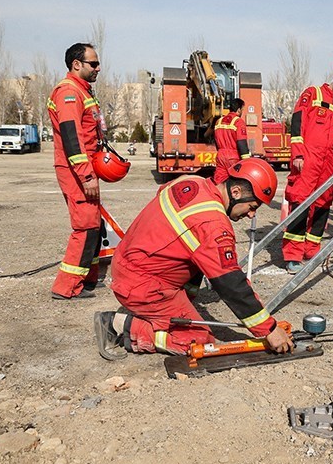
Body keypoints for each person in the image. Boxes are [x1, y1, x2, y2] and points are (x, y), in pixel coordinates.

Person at [93, 158, 295, 360]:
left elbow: (162, 193)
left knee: (193, 253)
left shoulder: (191, 181)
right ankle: (119, 325)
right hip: (141, 285)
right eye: (252, 206)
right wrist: (269, 329)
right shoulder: (212, 224)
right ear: (236, 192)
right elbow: (231, 283)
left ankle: (171, 306)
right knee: (199, 341)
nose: (251, 215)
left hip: (128, 262)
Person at [281, 61, 333, 274]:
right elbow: (297, 123)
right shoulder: (313, 94)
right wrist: (298, 153)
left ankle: (311, 251)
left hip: (326, 162)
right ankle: (293, 255)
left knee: (323, 202)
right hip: (307, 158)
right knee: (300, 201)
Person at [47, 42, 107, 300]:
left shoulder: (82, 91)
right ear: (76, 64)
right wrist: (86, 175)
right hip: (76, 170)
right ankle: (66, 287)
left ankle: (87, 278)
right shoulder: (68, 93)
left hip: (84, 168)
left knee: (95, 224)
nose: (98, 68)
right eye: (93, 63)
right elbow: (72, 138)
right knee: (86, 225)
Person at [213, 97, 251, 184]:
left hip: (221, 155)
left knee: (219, 181)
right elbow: (241, 142)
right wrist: (246, 160)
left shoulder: (219, 121)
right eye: (242, 109)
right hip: (233, 156)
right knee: (236, 182)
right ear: (239, 110)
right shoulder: (238, 122)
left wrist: (221, 151)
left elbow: (216, 140)